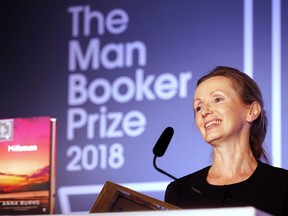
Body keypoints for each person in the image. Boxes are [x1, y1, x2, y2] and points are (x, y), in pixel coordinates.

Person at [164, 66, 288, 216]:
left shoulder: (283, 185)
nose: (204, 112)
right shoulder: (178, 191)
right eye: (198, 108)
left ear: (252, 111)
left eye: (217, 99)